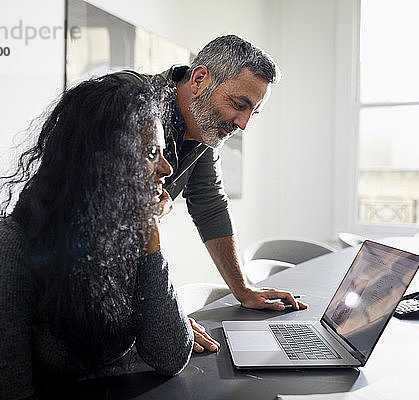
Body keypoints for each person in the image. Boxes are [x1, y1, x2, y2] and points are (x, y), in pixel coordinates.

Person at [0, 75, 194, 399]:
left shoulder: (121, 239)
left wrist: (150, 239)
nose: (167, 168)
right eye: (149, 153)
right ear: (103, 160)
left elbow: (169, 356)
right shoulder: (3, 254)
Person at [114, 35, 307, 352]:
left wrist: (243, 290)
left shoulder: (200, 127)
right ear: (200, 79)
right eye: (239, 105)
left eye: (252, 113)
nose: (243, 124)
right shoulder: (128, 102)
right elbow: (102, 224)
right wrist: (153, 313)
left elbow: (209, 205)